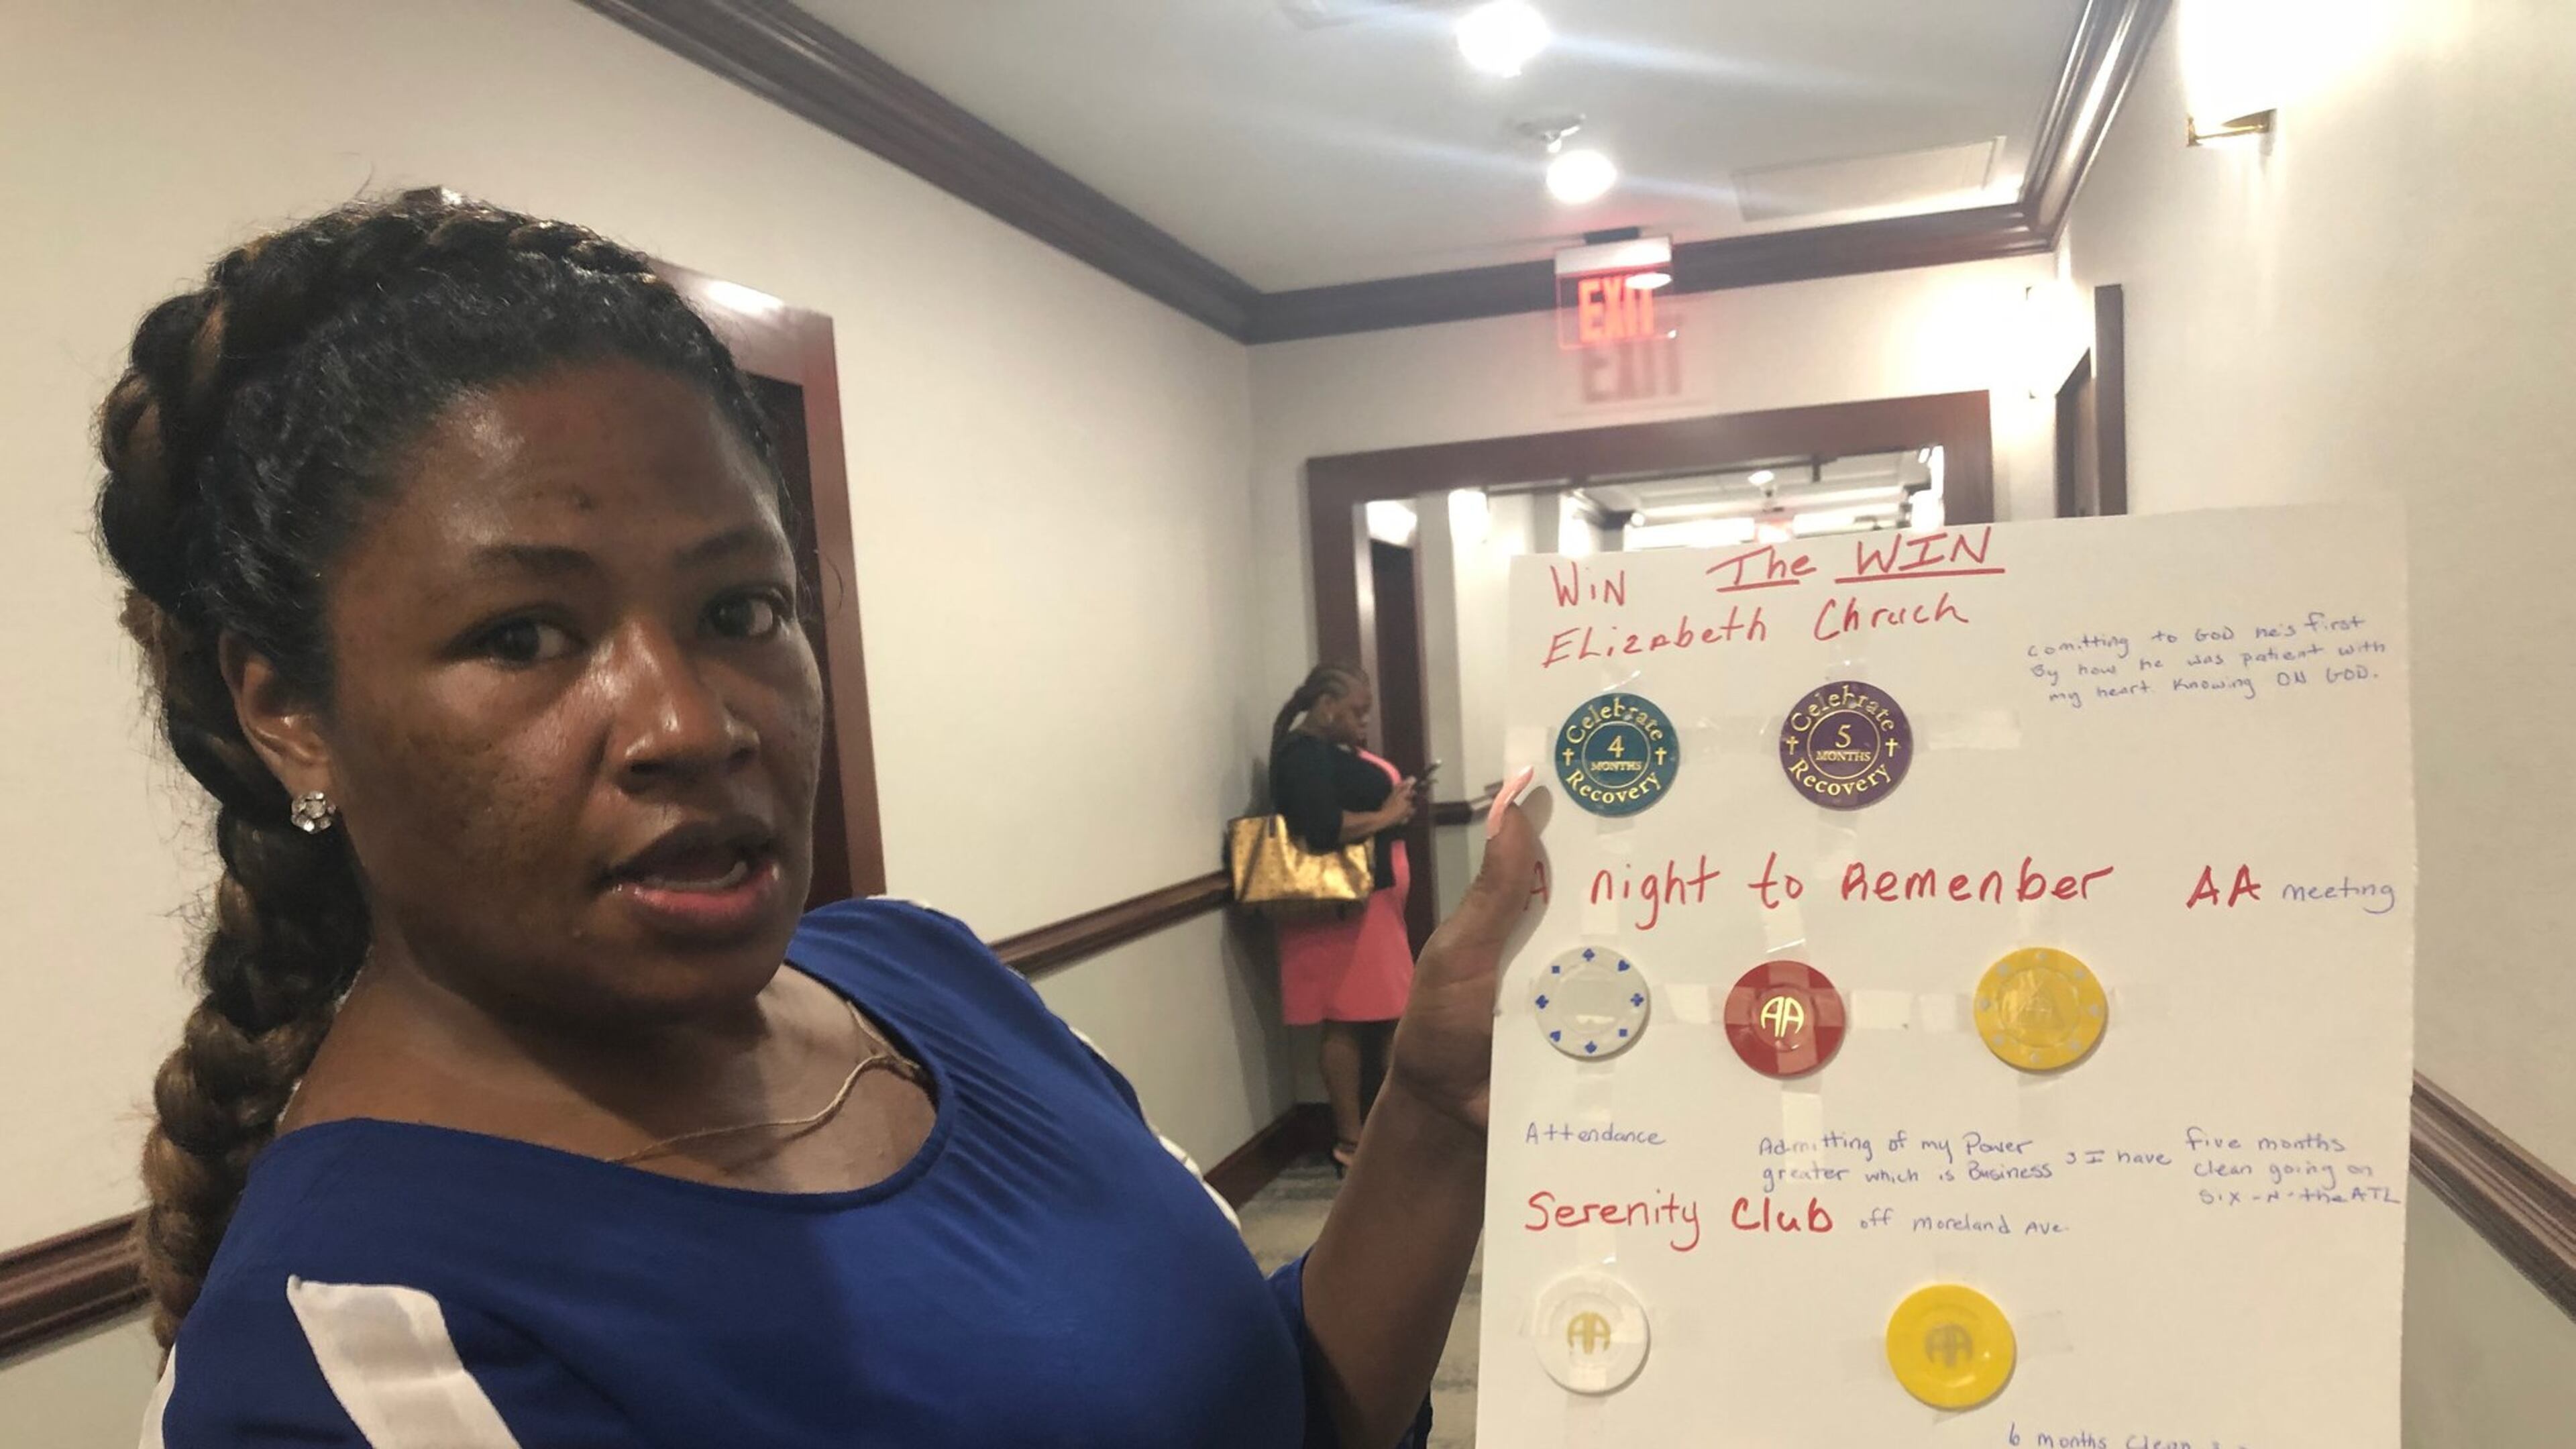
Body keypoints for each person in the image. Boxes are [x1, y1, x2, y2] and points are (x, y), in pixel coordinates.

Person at [99, 189, 1537, 1448]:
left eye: (741, 610)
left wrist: (1432, 1106)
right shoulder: (359, 1357)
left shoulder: (932, 981)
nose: (694, 724)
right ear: (287, 705)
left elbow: (1270, 1404)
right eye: (525, 635)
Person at [1267, 665, 1424, 1175]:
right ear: (1328, 706)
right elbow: (1321, 826)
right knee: (1349, 1018)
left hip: (1368, 905)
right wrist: (1388, 815)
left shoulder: (1330, 754)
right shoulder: (1300, 754)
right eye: (1357, 712)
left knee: (1377, 1016)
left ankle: (1381, 1133)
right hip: (1339, 908)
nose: (1363, 722)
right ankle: (1353, 1141)